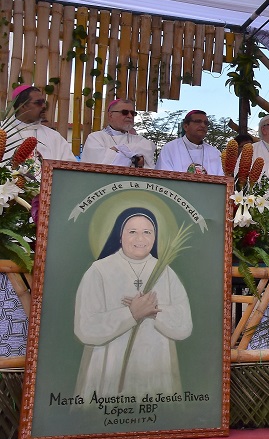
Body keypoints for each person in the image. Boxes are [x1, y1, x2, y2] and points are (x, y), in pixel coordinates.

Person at [74, 208, 192, 397]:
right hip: (108, 373)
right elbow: (85, 328)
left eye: (147, 232)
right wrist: (131, 314)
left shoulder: (166, 272)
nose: (140, 238)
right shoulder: (99, 271)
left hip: (156, 371)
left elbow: (185, 325)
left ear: (155, 237)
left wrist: (153, 310)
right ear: (119, 236)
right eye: (132, 232)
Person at [3, 85, 75, 162]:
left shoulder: (54, 137)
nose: (44, 106)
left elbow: (68, 169)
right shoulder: (3, 131)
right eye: (38, 103)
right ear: (22, 106)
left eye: (44, 102)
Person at [81, 99, 155, 168]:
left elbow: (149, 148)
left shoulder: (138, 139)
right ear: (110, 115)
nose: (130, 116)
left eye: (133, 113)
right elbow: (100, 165)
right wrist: (133, 159)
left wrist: (118, 148)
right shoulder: (96, 138)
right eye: (125, 112)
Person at [155, 110, 223, 175]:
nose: (203, 125)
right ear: (186, 126)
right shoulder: (170, 149)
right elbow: (164, 179)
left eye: (206, 123)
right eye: (198, 121)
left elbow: (221, 181)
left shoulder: (215, 153)